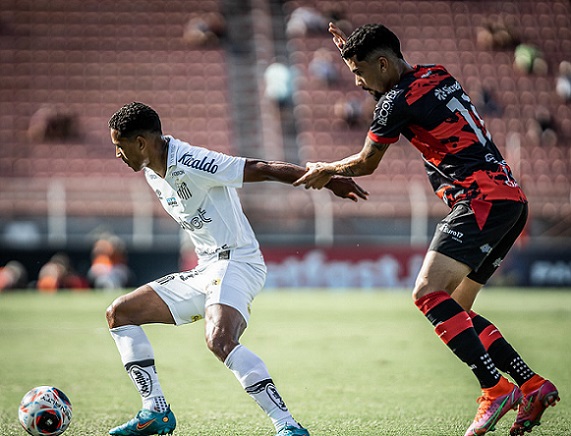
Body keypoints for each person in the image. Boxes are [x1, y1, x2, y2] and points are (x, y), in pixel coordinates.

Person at [293, 23, 560, 436]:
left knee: (427, 294)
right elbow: (393, 80)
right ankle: (531, 384)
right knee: (460, 312)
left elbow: (366, 162)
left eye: (360, 73)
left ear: (382, 63)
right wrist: (357, 51)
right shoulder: (437, 74)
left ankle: (494, 389)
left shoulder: (394, 100)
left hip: (478, 200)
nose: (360, 83)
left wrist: (326, 169)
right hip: (509, 198)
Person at [106, 102, 367, 436]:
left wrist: (328, 180)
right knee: (120, 313)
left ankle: (287, 425)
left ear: (141, 143)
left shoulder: (190, 161)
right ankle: (155, 411)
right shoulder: (151, 170)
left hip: (238, 261)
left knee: (219, 339)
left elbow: (263, 168)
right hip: (207, 268)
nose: (117, 153)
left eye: (120, 145)